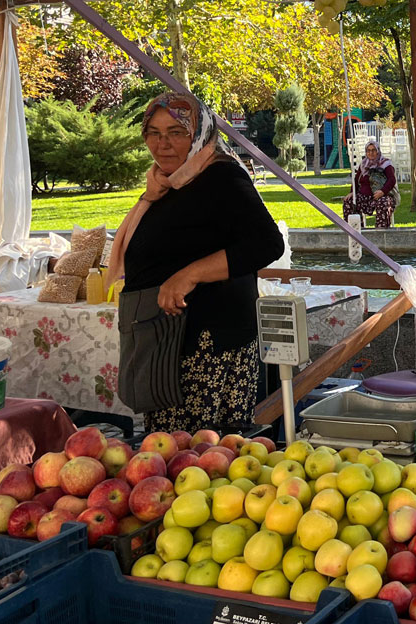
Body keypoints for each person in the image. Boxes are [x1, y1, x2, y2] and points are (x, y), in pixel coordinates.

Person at [105, 92, 284, 432]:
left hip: (207, 345)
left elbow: (266, 243)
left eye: (176, 132)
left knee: (202, 460)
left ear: (199, 133)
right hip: (170, 343)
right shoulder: (167, 183)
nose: (163, 144)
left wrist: (190, 275)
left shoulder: (221, 177)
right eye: (154, 133)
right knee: (174, 459)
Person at [344, 140, 398, 228]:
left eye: (373, 150)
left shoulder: (385, 164)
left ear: (378, 151)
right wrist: (352, 192)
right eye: (368, 150)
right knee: (349, 202)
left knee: (383, 203)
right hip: (365, 197)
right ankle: (356, 231)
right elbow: (356, 180)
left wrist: (383, 191)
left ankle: (380, 233)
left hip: (382, 195)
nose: (371, 153)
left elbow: (392, 180)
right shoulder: (364, 165)